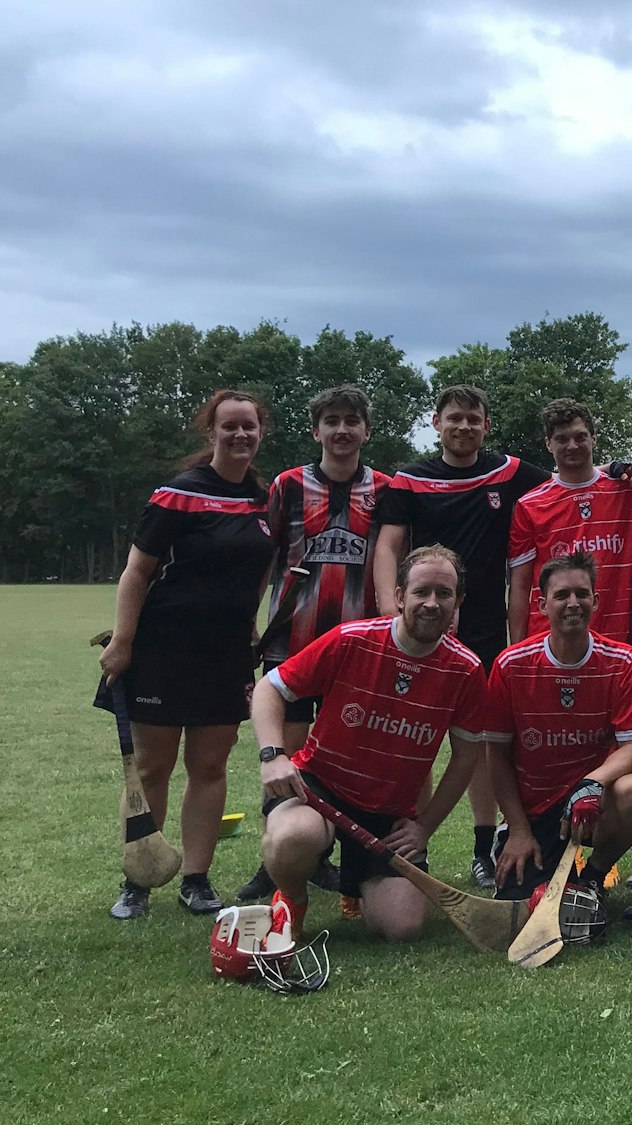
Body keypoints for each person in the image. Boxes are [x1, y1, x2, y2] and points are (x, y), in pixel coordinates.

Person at [252, 546, 496, 942]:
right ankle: (292, 900)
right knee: (293, 837)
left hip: (387, 813)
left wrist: (423, 828)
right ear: (400, 596)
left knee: (403, 928)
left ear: (458, 602)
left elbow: (466, 758)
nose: (432, 603)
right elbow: (270, 688)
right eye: (421, 592)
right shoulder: (352, 640)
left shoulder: (466, 670)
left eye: (444, 593)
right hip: (320, 791)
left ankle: (358, 886)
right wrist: (273, 755)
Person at [98, 389, 275, 919]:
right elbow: (136, 571)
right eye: (230, 426)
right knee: (153, 767)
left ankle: (196, 879)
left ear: (260, 432)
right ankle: (138, 879)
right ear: (211, 432)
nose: (240, 435)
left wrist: (251, 622)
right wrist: (123, 642)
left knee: (210, 765)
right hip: (162, 649)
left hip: (224, 656)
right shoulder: (177, 494)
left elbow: (264, 565)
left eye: (250, 426)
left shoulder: (265, 499)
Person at [373, 384, 549, 890]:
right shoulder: (410, 480)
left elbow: (568, 486)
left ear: (486, 425)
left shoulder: (509, 474)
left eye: (474, 419)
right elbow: (387, 547)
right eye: (455, 418)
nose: (464, 426)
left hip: (485, 628)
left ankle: (481, 845)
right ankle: (412, 842)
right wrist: (392, 611)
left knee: (484, 741)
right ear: (436, 423)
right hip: (421, 626)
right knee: (414, 737)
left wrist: (618, 476)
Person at [240, 384, 385, 903]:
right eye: (332, 421)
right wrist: (249, 622)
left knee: (350, 751)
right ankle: (277, 856)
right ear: (315, 429)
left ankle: (340, 858)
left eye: (352, 421)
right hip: (293, 640)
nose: (342, 430)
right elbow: (266, 556)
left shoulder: (385, 489)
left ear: (367, 430)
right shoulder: (288, 486)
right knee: (290, 752)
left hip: (359, 649)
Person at [487, 553, 632, 916]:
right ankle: (523, 849)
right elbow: (497, 756)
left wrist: (591, 783)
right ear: (542, 604)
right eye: (561, 595)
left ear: (596, 601)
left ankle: (593, 878)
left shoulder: (623, 661)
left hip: (593, 804)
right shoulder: (511, 665)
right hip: (535, 810)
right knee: (523, 905)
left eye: (582, 594)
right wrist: (518, 830)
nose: (573, 603)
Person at [507, 399, 632, 648]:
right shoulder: (530, 505)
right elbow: (519, 586)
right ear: (548, 444)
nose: (572, 445)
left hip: (613, 641)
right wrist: (518, 649)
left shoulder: (627, 493)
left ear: (593, 438)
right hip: (550, 642)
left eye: (580, 437)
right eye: (561, 439)